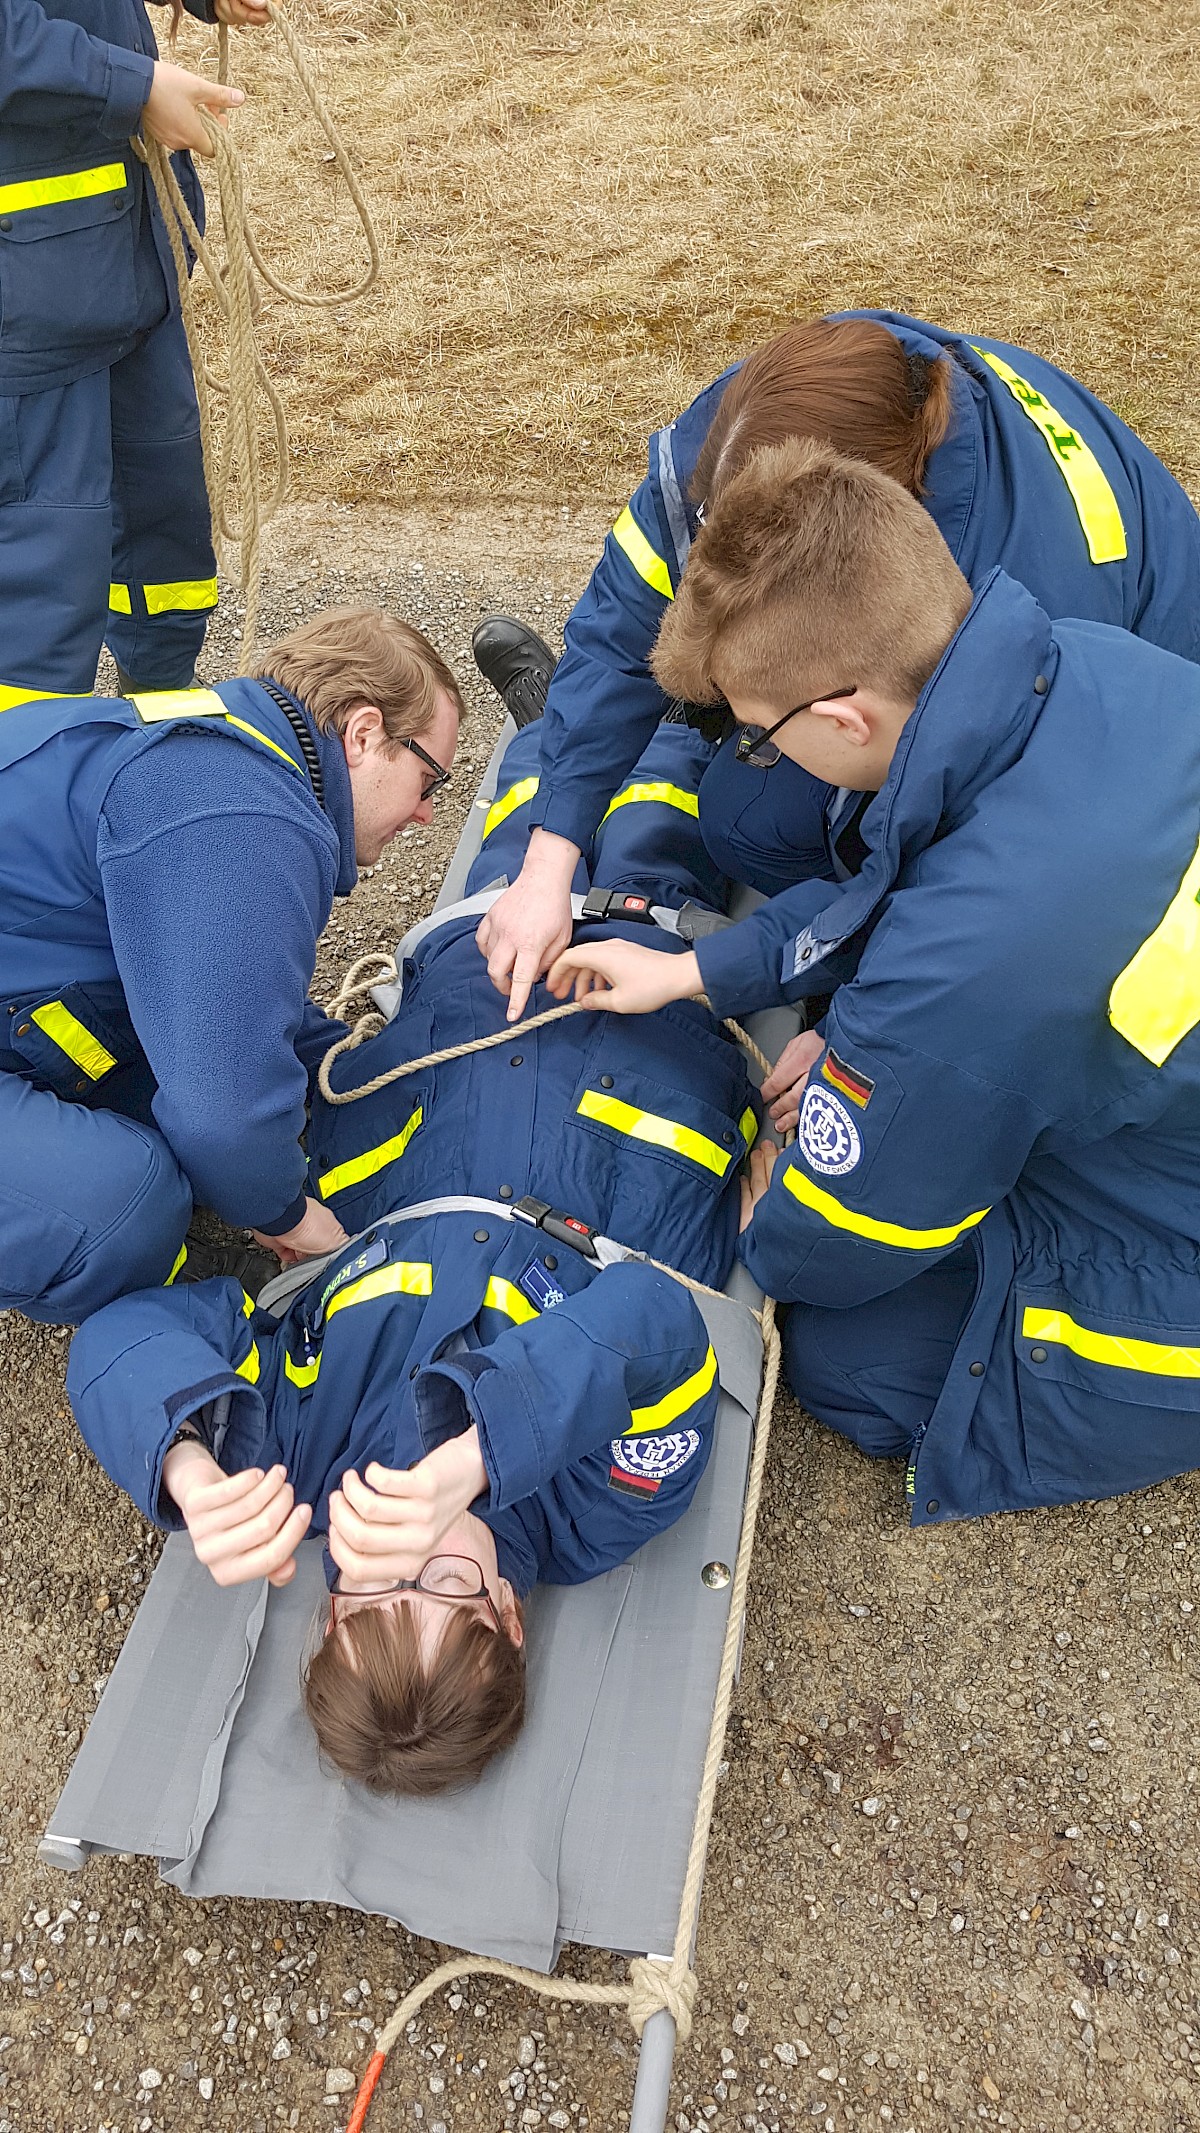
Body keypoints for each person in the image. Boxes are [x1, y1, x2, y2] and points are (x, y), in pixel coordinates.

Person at [65, 718, 756, 1795]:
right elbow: (654, 1338)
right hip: (645, 1040)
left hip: (454, 1037)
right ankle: (688, 723)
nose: (408, 1551)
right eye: (445, 1584)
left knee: (524, 837)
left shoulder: (290, 1463)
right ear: (510, 1615)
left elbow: (124, 1334)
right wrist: (484, 1451)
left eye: (373, 1589)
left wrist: (185, 1460)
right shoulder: (599, 1509)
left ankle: (554, 712)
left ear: (332, 1603)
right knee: (673, 818)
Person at [544, 437, 1200, 1526]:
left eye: (758, 738)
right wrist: (697, 974)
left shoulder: (972, 974)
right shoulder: (1081, 662)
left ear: (843, 717)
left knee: (851, 1351)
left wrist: (779, 1215)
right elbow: (912, 882)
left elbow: (847, 1241)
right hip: (1149, 1080)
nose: (762, 760)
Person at [470, 310, 1200, 1018]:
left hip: (1132, 727)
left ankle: (655, 746)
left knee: (746, 818)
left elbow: (966, 868)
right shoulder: (777, 410)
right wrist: (547, 862)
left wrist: (856, 1016)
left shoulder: (1015, 597)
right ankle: (605, 738)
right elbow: (624, 614)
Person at [0, 605, 462, 1323]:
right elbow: (226, 1116)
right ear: (365, 734)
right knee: (130, 1203)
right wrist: (286, 1213)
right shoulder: (243, 820)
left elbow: (218, 1004)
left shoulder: (222, 751)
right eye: (431, 782)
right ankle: (166, 1277)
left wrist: (339, 1063)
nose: (428, 815)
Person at [0, 0, 270, 708]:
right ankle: (28, 787)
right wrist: (136, 86)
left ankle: (158, 726)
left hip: (125, 261)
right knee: (43, 581)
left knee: (164, 524)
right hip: (25, 312)